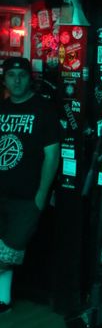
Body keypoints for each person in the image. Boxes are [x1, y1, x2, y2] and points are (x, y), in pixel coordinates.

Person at [0, 57, 61, 313]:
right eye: (11, 75)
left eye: (22, 75)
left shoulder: (43, 109)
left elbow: (52, 155)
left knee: (8, 254)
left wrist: (41, 196)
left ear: (30, 79)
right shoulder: (1, 108)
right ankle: (3, 302)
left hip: (27, 198)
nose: (16, 80)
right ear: (4, 80)